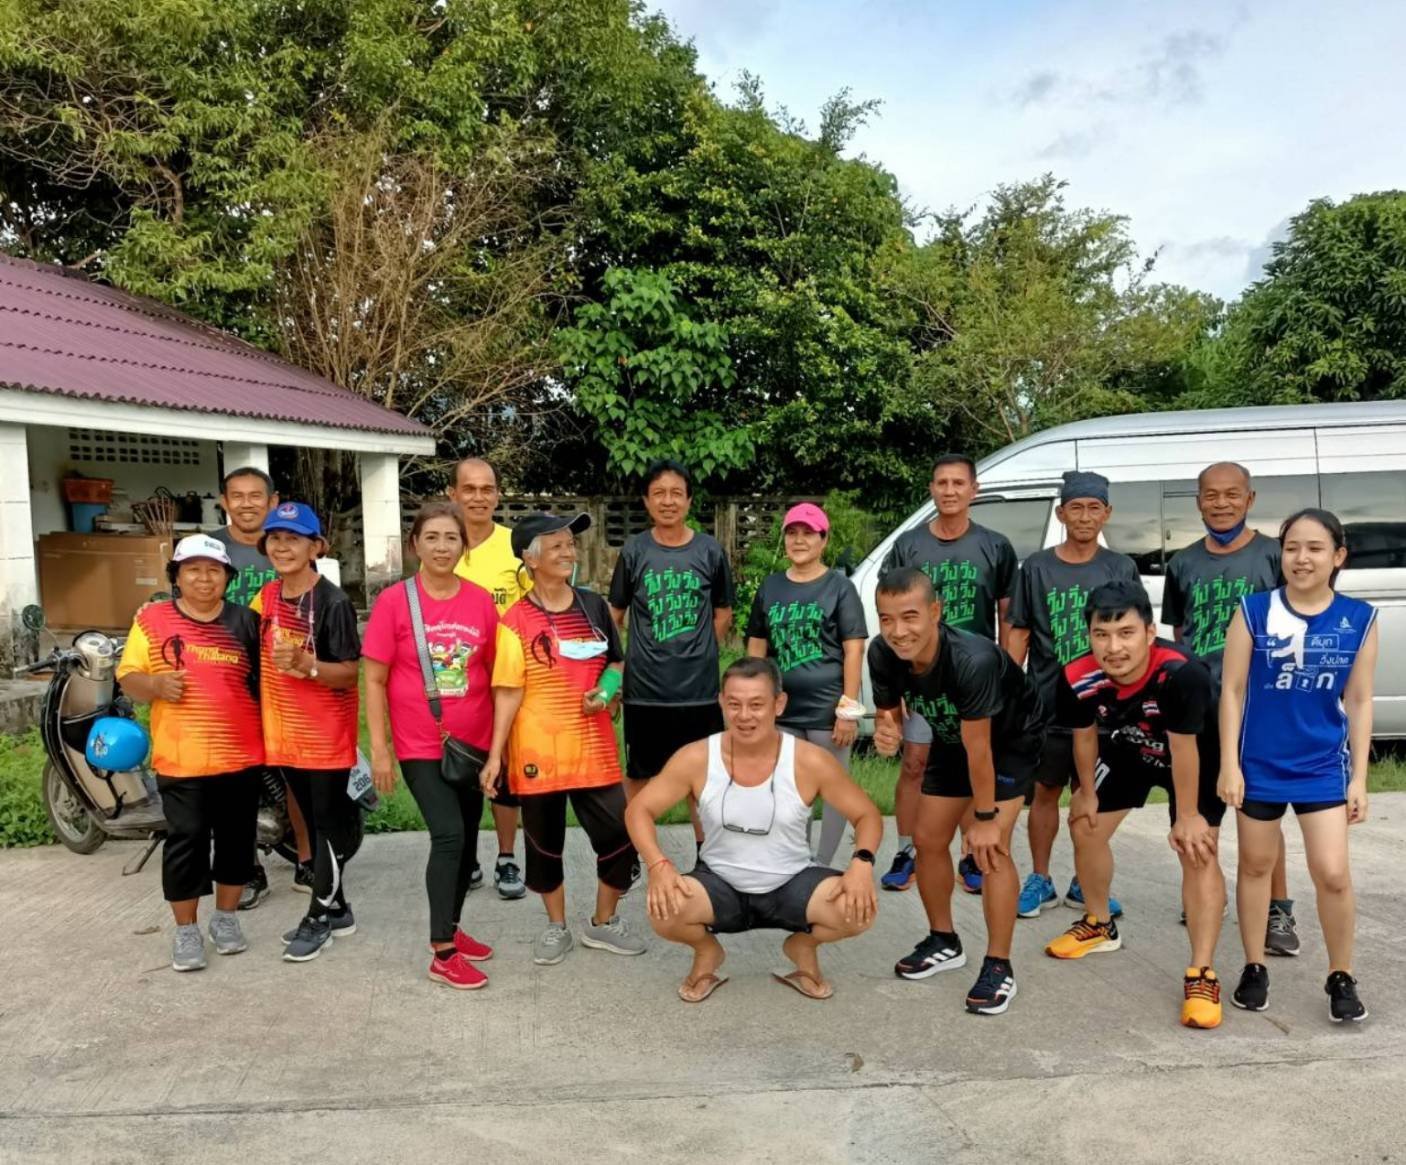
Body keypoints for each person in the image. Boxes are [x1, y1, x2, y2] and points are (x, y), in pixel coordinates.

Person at [625, 657, 881, 1003]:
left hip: (793, 881)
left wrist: (862, 863)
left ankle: (802, 947)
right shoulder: (696, 757)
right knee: (663, 910)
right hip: (719, 883)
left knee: (860, 909)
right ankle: (707, 952)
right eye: (734, 704)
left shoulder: (809, 760)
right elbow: (639, 809)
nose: (744, 716)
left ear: (779, 703)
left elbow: (867, 815)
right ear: (721, 702)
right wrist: (658, 865)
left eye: (757, 705)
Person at [1042, 581, 1226, 1030]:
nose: (1114, 647)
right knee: (1084, 824)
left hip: (1197, 754)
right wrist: (1086, 790)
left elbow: (1184, 748)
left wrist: (1188, 816)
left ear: (1148, 631)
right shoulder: (1076, 674)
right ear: (1089, 635)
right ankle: (1099, 924)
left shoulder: (1181, 673)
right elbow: (1084, 735)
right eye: (1101, 635)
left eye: (1126, 633)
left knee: (1197, 849)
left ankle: (1202, 972)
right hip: (1132, 745)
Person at [1218, 509, 1378, 1023]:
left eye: (1314, 548)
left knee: (1332, 872)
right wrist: (1229, 764)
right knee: (1255, 866)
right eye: (1291, 548)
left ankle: (1341, 974)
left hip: (1322, 766)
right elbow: (1232, 691)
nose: (1301, 558)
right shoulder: (1253, 611)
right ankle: (1254, 966)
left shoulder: (1359, 618)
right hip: (1258, 764)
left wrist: (1359, 779)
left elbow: (1359, 700)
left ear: (1338, 556)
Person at [870, 569, 1049, 1015]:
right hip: (954, 738)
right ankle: (944, 940)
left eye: (909, 617)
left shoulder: (973, 659)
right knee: (927, 838)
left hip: (1010, 742)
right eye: (886, 619)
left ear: (935, 611)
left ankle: (999, 965)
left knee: (992, 849)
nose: (898, 631)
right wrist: (887, 734)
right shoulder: (882, 652)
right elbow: (890, 716)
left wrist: (984, 819)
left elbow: (981, 750)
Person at [490, 511, 644, 966]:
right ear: (530, 558)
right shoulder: (514, 621)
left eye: (569, 544)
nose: (568, 552)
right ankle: (555, 927)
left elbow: (616, 663)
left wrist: (608, 692)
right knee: (543, 845)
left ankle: (603, 922)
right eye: (556, 545)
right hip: (537, 752)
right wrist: (495, 756)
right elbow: (508, 692)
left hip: (593, 748)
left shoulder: (593, 607)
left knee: (620, 834)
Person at [363, 501, 504, 990]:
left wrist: (499, 748)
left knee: (467, 840)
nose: (442, 547)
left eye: (451, 538)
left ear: (464, 545)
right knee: (448, 836)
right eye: (432, 538)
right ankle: (442, 951)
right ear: (415, 545)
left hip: (472, 745)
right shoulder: (394, 602)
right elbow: (374, 679)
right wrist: (380, 749)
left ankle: (454, 925)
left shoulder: (481, 601)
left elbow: (494, 674)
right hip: (420, 744)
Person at [1162, 461, 1298, 953]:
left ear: (1250, 499)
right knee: (1201, 809)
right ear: (1198, 501)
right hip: (1202, 705)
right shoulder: (1182, 563)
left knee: (1261, 813)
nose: (1221, 504)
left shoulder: (1274, 555)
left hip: (1259, 705)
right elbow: (1180, 633)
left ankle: (1277, 911)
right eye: (1211, 495)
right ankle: (1207, 893)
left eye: (1232, 494)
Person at [115, 534, 264, 972]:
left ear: (227, 577)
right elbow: (129, 677)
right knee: (187, 841)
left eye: (213, 570)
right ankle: (186, 931)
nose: (204, 578)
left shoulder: (247, 622)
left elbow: (267, 683)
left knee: (237, 841)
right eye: (193, 569)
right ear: (176, 577)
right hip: (181, 757)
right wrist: (155, 685)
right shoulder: (152, 620)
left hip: (242, 754)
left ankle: (226, 919)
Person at [879, 453, 1018, 894]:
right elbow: (891, 609)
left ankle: (969, 854)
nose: (950, 490)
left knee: (970, 761)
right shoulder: (909, 545)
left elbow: (1007, 617)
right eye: (942, 483)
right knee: (915, 763)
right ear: (931, 489)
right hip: (922, 676)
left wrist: (1005, 676)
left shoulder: (995, 546)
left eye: (959, 483)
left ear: (974, 490)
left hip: (973, 679)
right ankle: (907, 850)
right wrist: (899, 684)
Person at [1008, 471, 1138, 919]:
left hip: (1105, 704)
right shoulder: (1037, 567)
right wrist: (1012, 693)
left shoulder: (1120, 567)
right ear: (1061, 514)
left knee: (1092, 793)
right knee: (1045, 792)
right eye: (1076, 508)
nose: (1084, 516)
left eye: (1093, 508)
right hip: (1048, 701)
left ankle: (1086, 881)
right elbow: (1019, 631)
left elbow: (1136, 634)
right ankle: (1040, 878)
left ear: (1107, 513)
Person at [249, 502, 363, 963]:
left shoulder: (333, 602)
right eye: (275, 538)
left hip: (325, 736)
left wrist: (306, 665)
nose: (282, 547)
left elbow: (349, 673)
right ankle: (339, 911)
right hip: (284, 733)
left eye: (293, 539)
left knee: (326, 828)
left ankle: (317, 917)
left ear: (316, 547)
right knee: (311, 826)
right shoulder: (267, 598)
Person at [610, 460, 735, 847]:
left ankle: (707, 853)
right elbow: (614, 615)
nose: (668, 501)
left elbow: (723, 613)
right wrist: (614, 678)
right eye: (659, 493)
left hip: (698, 692)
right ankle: (630, 850)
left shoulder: (710, 551)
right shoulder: (635, 550)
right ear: (646, 501)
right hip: (645, 692)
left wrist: (699, 652)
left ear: (689, 500)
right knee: (639, 775)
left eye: (676, 493)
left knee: (704, 776)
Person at [212, 466, 314, 911]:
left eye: (256, 495)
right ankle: (247, 868)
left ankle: (307, 859)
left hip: (282, 680)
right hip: (225, 680)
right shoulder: (210, 550)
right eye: (237, 496)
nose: (247, 503)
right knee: (233, 781)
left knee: (292, 775)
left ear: (273, 502)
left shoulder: (286, 546)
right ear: (224, 502)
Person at [745, 502, 867, 866]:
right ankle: (796, 861)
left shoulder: (839, 587)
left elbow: (854, 650)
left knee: (833, 788)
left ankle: (823, 865)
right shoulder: (771, 586)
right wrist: (756, 701)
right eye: (792, 533)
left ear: (823, 540)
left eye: (808, 533)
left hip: (828, 709)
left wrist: (847, 711)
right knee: (790, 789)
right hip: (783, 708)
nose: (799, 540)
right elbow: (756, 647)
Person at [448, 457, 530, 901]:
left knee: (503, 774)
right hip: (456, 681)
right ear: (453, 494)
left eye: (487, 489)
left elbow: (533, 607)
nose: (478, 497)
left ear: (497, 495)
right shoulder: (444, 545)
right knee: (460, 772)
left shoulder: (514, 546)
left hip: (506, 681)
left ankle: (506, 857)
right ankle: (466, 858)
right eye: (469, 489)